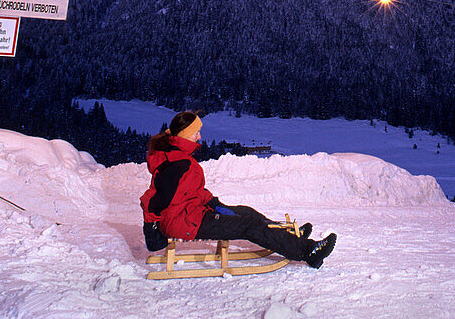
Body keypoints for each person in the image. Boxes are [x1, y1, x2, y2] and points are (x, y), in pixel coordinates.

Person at [141, 110, 337, 269]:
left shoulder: (179, 157)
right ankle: (306, 251)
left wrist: (214, 204)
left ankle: (287, 236)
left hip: (192, 213)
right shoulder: (178, 163)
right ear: (184, 135)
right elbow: (155, 200)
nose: (200, 136)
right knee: (248, 225)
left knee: (246, 212)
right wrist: (152, 232)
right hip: (184, 222)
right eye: (196, 132)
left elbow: (191, 191)